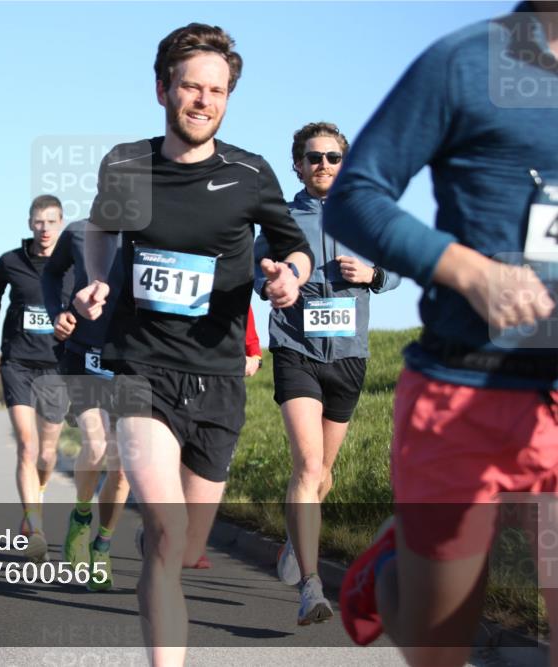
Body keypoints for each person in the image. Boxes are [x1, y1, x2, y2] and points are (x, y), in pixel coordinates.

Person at [324, 4, 557, 665]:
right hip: (464, 386)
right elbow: (355, 195)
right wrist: (470, 270)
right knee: (438, 646)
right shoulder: (465, 62)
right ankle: (393, 567)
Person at [73, 23, 313, 664]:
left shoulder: (249, 173)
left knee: (185, 546)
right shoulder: (126, 163)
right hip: (141, 368)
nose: (203, 101)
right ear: (162, 89)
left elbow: (294, 247)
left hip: (219, 378)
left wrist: (288, 276)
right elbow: (100, 228)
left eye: (217, 90)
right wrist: (98, 278)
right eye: (191, 87)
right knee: (164, 528)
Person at [253, 121, 401, 626]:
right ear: (297, 164)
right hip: (295, 349)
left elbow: (398, 266)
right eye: (314, 157)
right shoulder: (280, 219)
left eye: (333, 157)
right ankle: (311, 588)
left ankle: (297, 541)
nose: (323, 165)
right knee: (308, 465)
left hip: (350, 357)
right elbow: (257, 273)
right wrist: (274, 279)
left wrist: (375, 274)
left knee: (325, 475)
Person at [0, 195, 71, 563]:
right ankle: (36, 526)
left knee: (47, 453)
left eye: (51, 221)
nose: (44, 229)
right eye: (38, 222)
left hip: (57, 365)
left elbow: (92, 305)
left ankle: (37, 495)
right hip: (17, 363)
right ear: (30, 224)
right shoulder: (10, 262)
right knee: (27, 447)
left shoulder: (74, 264)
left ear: (60, 224)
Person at [42, 218, 131, 590]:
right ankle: (81, 517)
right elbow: (51, 274)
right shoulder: (79, 231)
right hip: (83, 355)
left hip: (130, 361)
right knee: (96, 446)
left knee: (123, 466)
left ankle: (103, 545)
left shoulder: (156, 233)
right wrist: (58, 313)